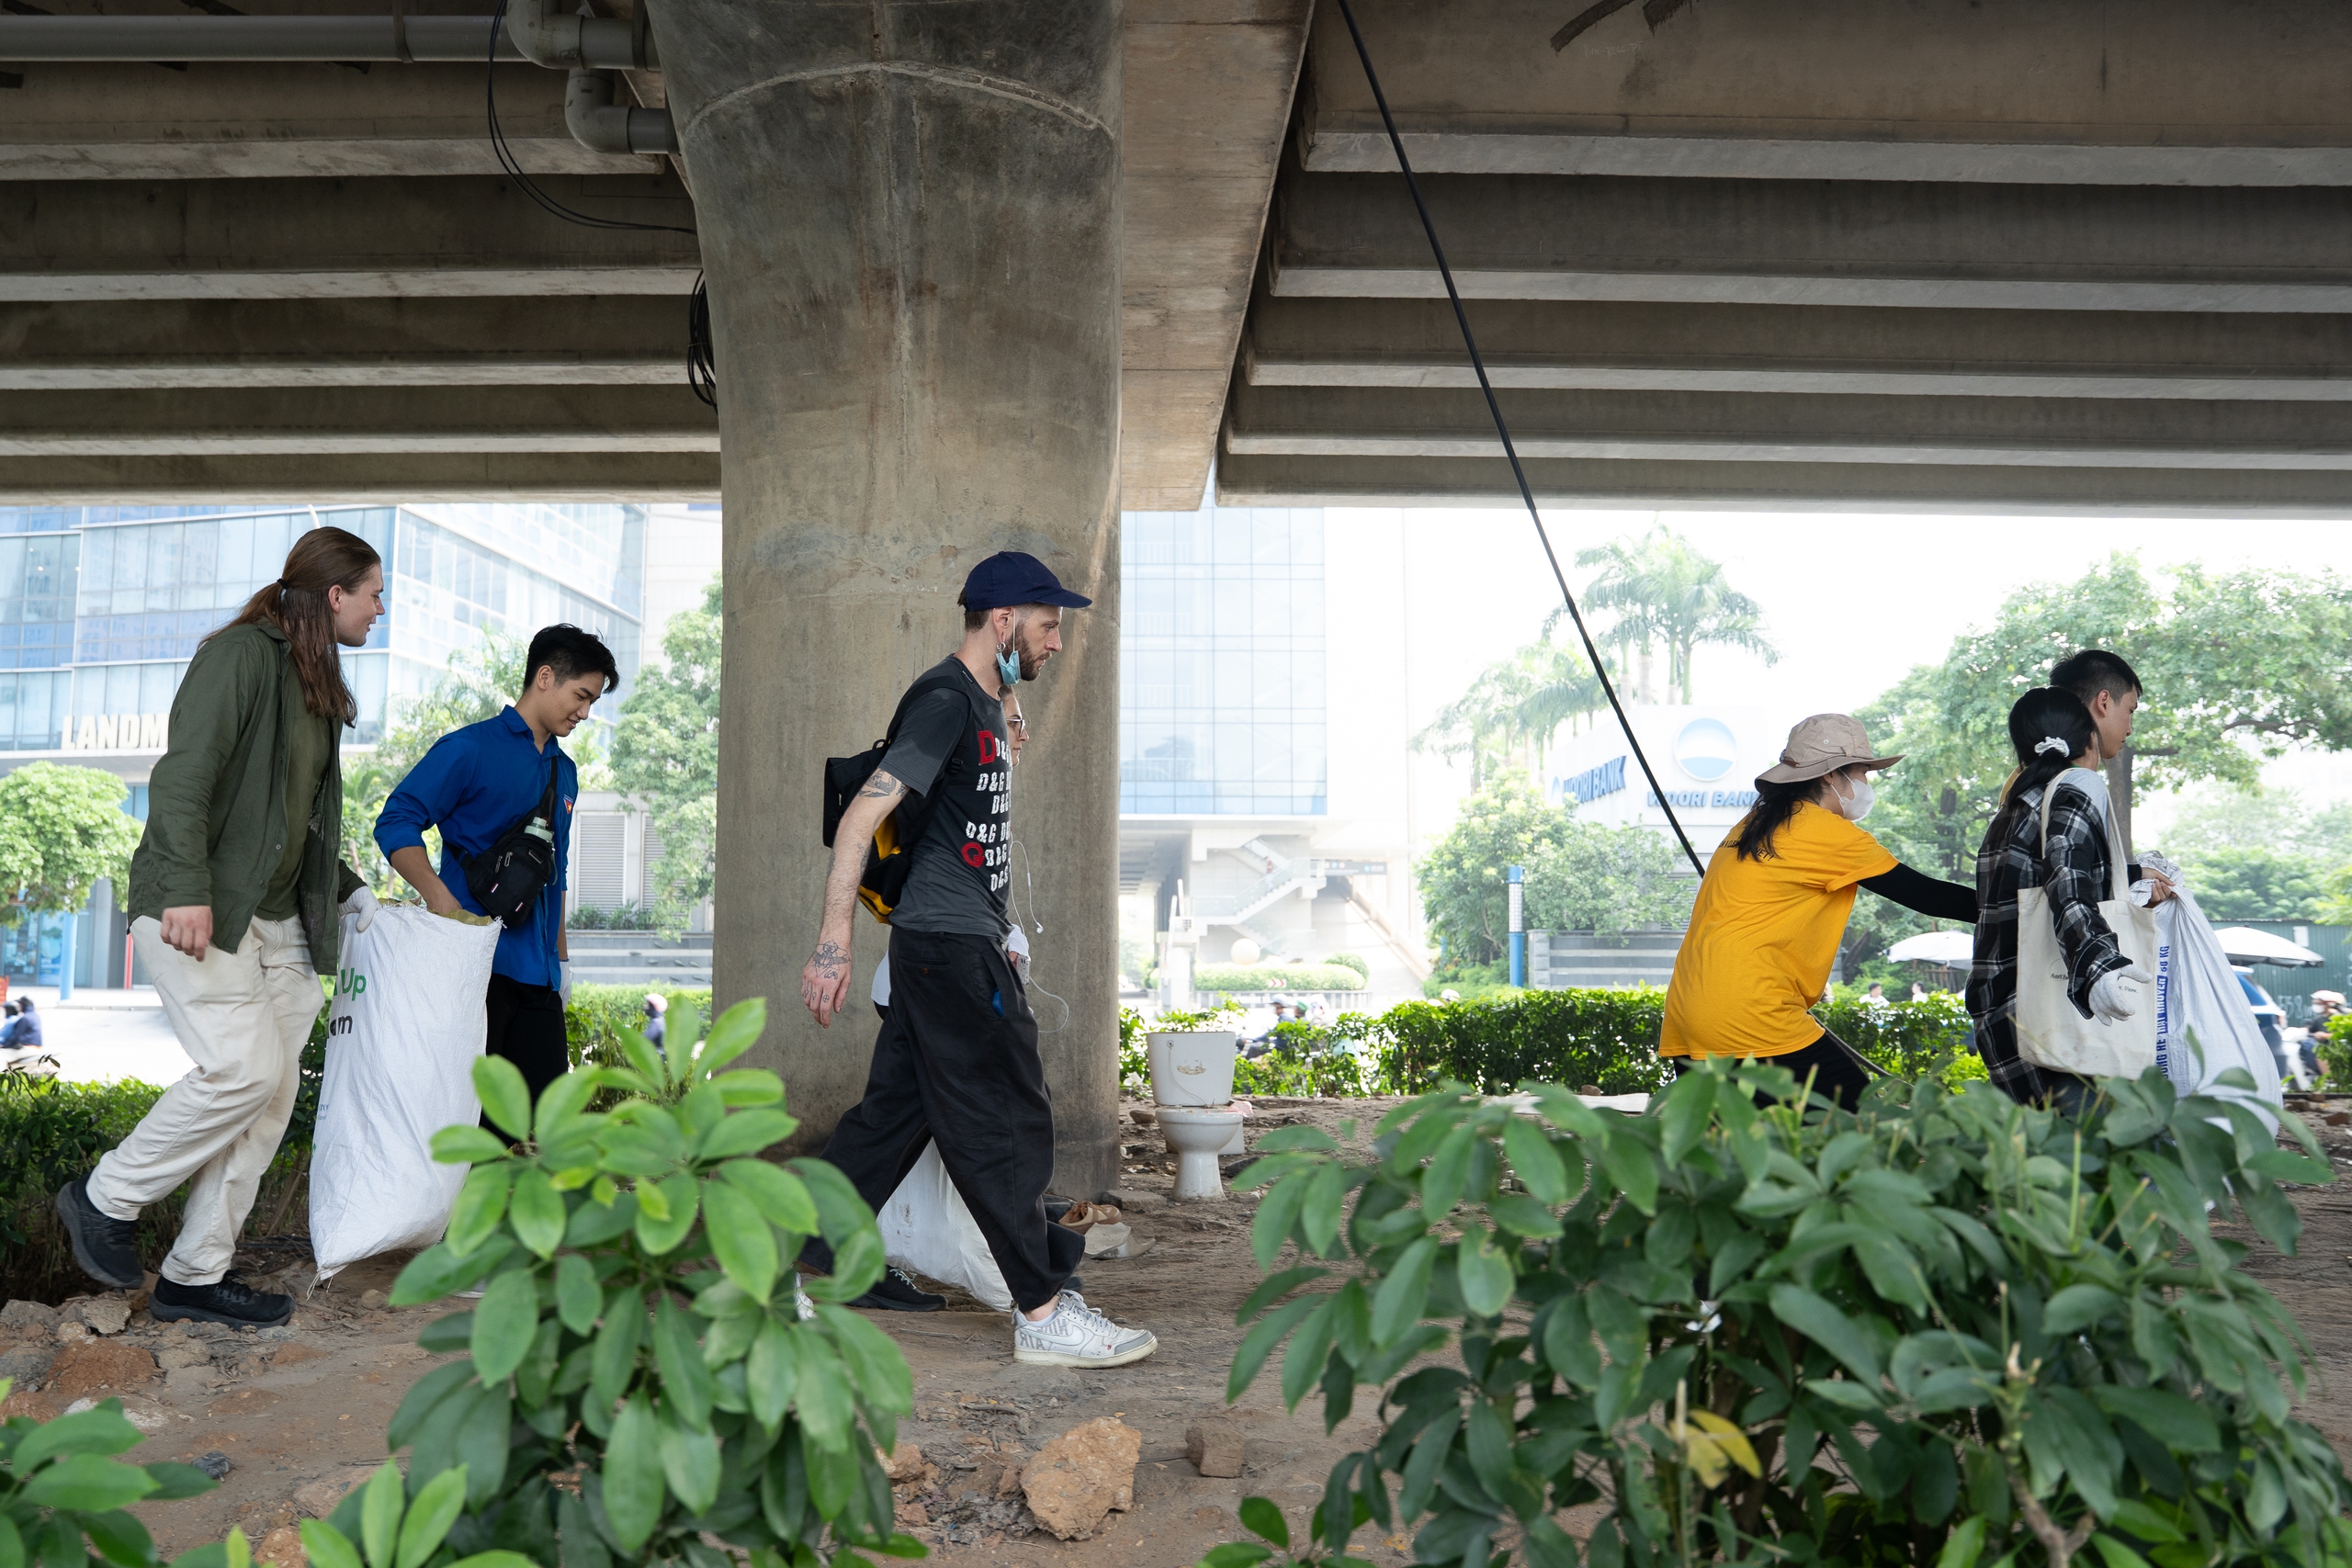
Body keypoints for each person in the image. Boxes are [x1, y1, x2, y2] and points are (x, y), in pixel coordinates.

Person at [797, 551, 1156, 1368]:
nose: (1056, 642)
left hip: (955, 943)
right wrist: (833, 944)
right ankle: (1041, 1308)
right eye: (1047, 624)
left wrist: (1009, 713)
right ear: (1002, 620)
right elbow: (863, 817)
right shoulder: (944, 701)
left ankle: (781, 1271)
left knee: (883, 1127)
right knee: (1003, 1119)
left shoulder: (986, 703)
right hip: (948, 951)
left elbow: (964, 805)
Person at [53, 527, 383, 1326]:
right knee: (240, 1070)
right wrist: (186, 888)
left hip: (277, 924)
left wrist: (348, 892)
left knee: (268, 1094)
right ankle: (104, 1198)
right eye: (374, 593)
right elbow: (184, 776)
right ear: (333, 593)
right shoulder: (240, 656)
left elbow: (293, 821)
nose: (381, 610)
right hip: (200, 910)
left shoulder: (313, 679)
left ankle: (195, 1275)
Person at [1661, 714, 1978, 1111]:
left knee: (1735, 1158)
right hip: (1751, 1013)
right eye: (1862, 772)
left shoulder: (1754, 824)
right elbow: (1927, 896)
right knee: (1857, 1124)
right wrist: (2020, 907)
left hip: (1690, 1011)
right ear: (1832, 776)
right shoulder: (1824, 831)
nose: (1865, 784)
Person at [376, 625, 616, 1110]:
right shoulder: (469, 749)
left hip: (539, 979)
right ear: (544, 677)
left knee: (546, 1129)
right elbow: (396, 822)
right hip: (470, 967)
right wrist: (442, 903)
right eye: (581, 696)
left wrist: (562, 963)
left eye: (592, 702)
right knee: (470, 1129)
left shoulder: (563, 771)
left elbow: (557, 873)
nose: (585, 713)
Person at [1965, 686, 2173, 1112]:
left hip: (2003, 1019)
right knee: (2118, 1166)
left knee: (2051, 1167)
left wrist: (2128, 877)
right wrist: (2099, 962)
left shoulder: (2012, 810)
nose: (2129, 727)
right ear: (2088, 739)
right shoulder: (2079, 784)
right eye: (2129, 712)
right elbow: (2065, 873)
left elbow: (2036, 883)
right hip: (2056, 1025)